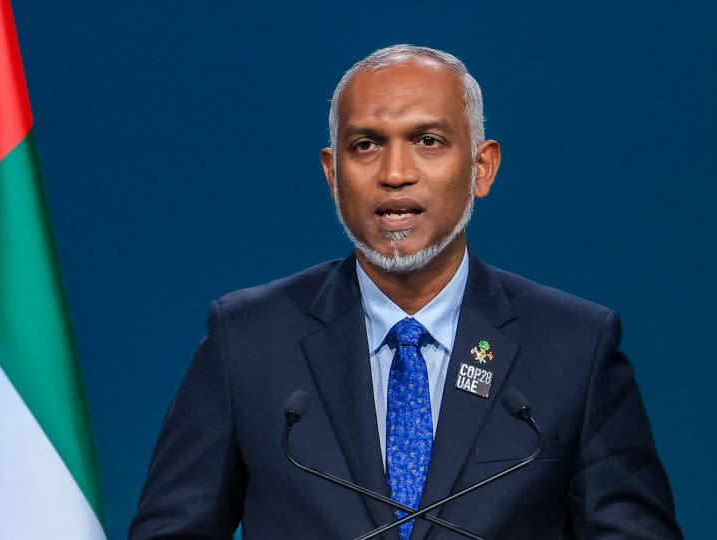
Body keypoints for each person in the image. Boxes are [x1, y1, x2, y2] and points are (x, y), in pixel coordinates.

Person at [129, 44, 682, 539]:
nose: (395, 173)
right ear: (332, 174)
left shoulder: (575, 349)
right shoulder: (246, 341)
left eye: (428, 141)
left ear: (481, 168)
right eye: (366, 145)